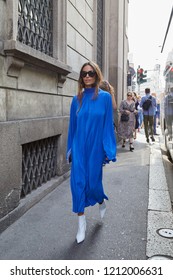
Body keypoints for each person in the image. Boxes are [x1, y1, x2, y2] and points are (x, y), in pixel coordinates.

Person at [66, 61, 117, 244]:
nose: (87, 76)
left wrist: (108, 149)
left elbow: (107, 126)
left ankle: (100, 200)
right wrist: (70, 149)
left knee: (94, 183)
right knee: (78, 183)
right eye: (84, 74)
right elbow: (72, 127)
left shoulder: (103, 98)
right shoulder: (76, 99)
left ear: (96, 75)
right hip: (79, 147)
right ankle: (81, 224)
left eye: (90, 73)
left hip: (95, 148)